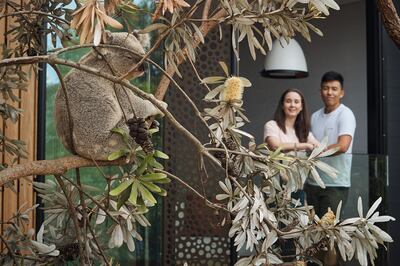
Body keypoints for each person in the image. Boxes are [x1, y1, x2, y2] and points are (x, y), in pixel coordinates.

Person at [305, 71, 356, 266]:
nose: (330, 92)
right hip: (312, 182)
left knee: (330, 235)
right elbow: (305, 144)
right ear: (320, 91)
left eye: (334, 89)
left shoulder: (346, 114)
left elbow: (342, 145)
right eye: (326, 88)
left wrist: (317, 151)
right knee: (315, 235)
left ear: (341, 92)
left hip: (336, 184)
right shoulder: (316, 116)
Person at [264, 88, 320, 203]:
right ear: (282, 105)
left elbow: (319, 148)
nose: (292, 105)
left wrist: (315, 146)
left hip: (297, 188)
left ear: (301, 106)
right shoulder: (272, 125)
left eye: (296, 101)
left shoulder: (304, 132)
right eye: (288, 101)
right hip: (275, 187)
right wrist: (305, 145)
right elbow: (275, 146)